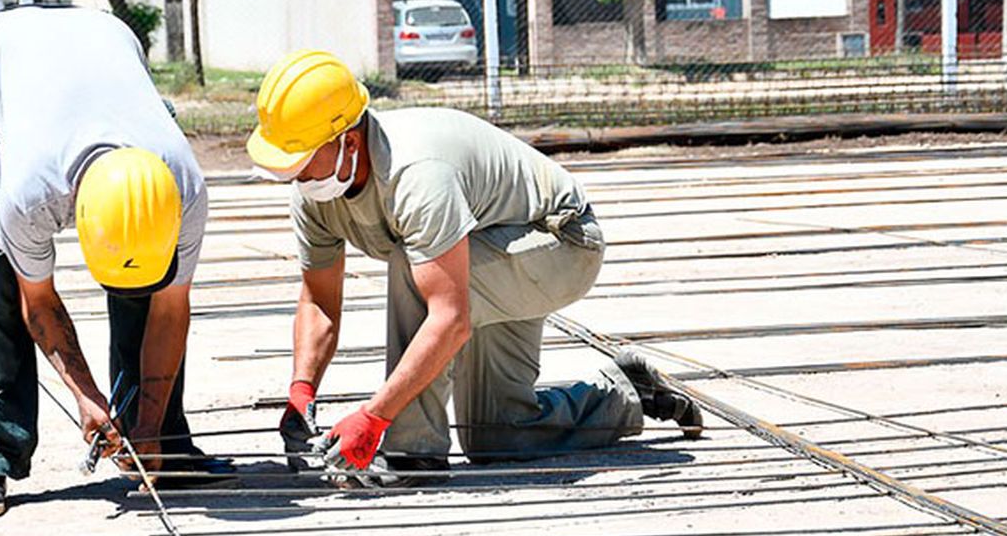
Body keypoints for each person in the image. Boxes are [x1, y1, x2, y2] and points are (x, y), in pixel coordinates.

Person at [245, 50, 702, 483]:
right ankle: (626, 394)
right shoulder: (315, 192)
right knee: (499, 435)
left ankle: (413, 452)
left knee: (412, 265)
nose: (295, 176)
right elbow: (319, 301)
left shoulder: (415, 174)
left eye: (301, 161)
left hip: (562, 243)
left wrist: (375, 418)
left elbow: (450, 317)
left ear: (348, 140)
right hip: (490, 252)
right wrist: (301, 391)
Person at [0, 4, 230, 518]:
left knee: (149, 270)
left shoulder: (181, 186)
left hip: (104, 49)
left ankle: (158, 440)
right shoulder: (29, 193)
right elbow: (40, 301)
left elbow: (168, 309)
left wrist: (146, 419)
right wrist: (87, 397)